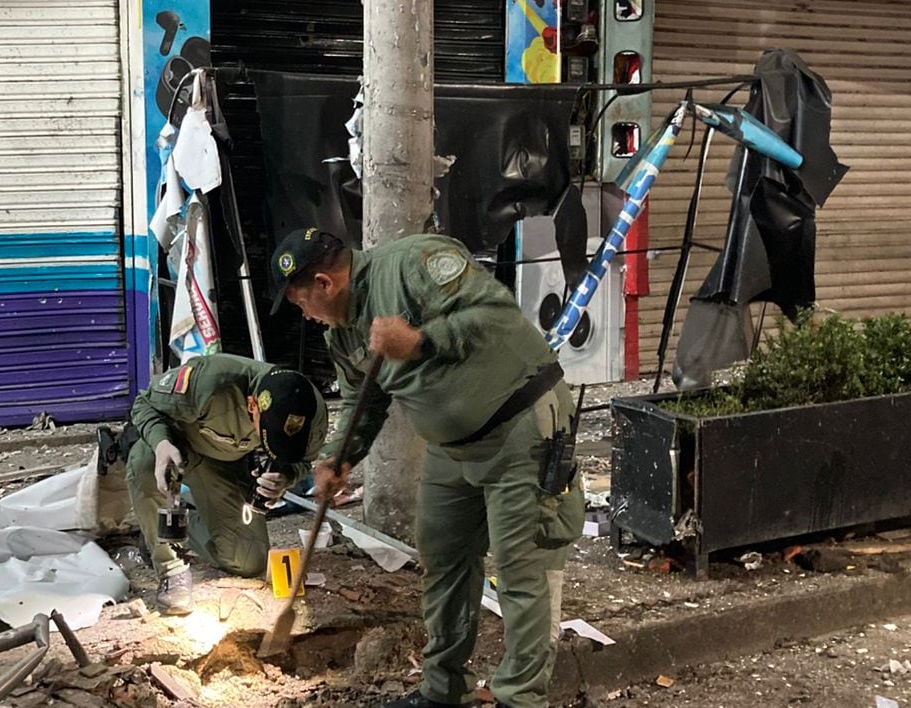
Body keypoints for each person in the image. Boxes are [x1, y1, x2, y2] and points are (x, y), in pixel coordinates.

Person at [271, 227, 584, 708]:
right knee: (444, 558)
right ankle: (443, 689)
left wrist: (420, 341)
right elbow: (363, 398)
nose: (306, 316)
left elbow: (495, 317)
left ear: (323, 283)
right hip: (453, 448)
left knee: (524, 568)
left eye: (301, 304)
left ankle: (520, 698)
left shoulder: (413, 263)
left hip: (520, 425)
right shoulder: (344, 333)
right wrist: (340, 457)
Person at [126, 353, 327, 615]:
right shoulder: (211, 382)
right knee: (144, 461)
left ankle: (171, 526)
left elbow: (303, 462)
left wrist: (285, 477)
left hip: (226, 465)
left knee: (248, 561)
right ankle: (169, 567)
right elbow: (144, 404)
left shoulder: (311, 411)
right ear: (252, 405)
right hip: (179, 448)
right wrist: (161, 442)